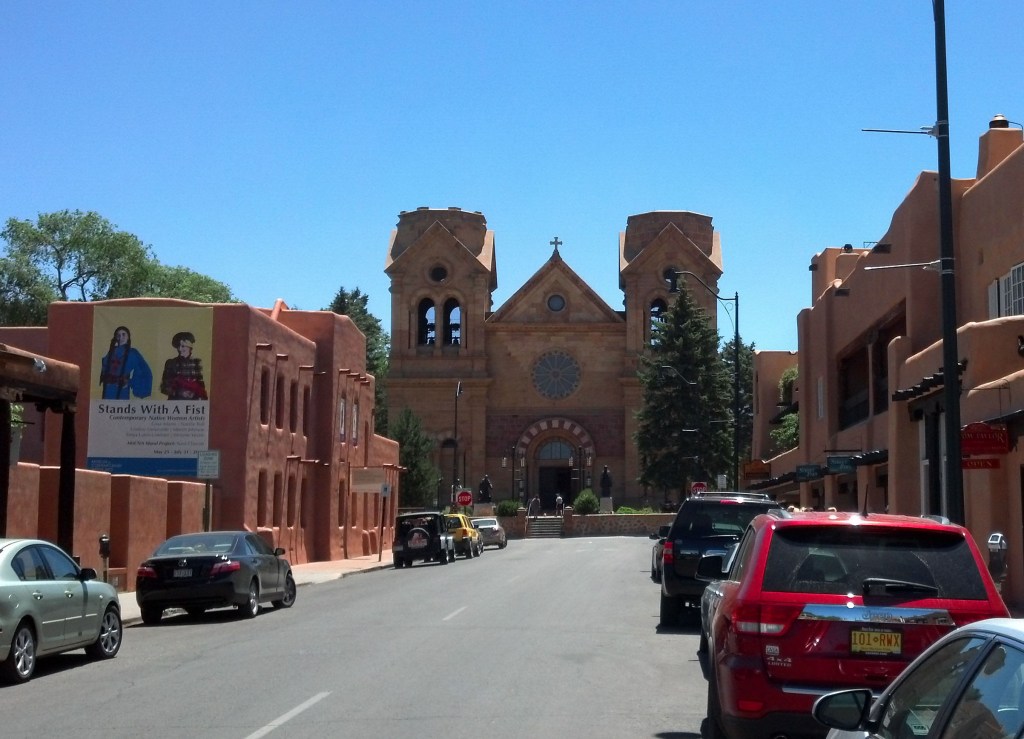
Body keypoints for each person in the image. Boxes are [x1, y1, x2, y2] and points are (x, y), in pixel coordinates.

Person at [99, 325, 152, 400]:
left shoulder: (132, 353)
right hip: (108, 389)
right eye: (118, 335)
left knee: (121, 406)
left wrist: (130, 382)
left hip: (121, 390)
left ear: (128, 337)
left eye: (123, 334)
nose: (121, 337)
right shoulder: (111, 352)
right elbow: (105, 368)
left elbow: (143, 370)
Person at [160, 331, 208, 400]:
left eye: (183, 346)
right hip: (175, 402)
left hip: (193, 403)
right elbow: (164, 387)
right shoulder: (170, 363)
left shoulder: (197, 362)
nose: (180, 349)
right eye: (178, 346)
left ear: (190, 347)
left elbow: (201, 386)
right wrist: (179, 392)